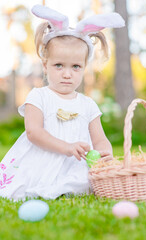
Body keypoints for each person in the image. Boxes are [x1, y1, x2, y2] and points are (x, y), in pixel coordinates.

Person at [0, 5, 125, 201]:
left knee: (81, 184)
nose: (67, 74)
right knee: (28, 185)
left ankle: (69, 186)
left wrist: (105, 152)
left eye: (76, 67)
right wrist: (66, 147)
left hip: (74, 164)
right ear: (45, 66)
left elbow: (99, 139)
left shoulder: (88, 104)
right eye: (59, 65)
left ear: (84, 68)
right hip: (42, 161)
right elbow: (34, 133)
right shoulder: (38, 96)